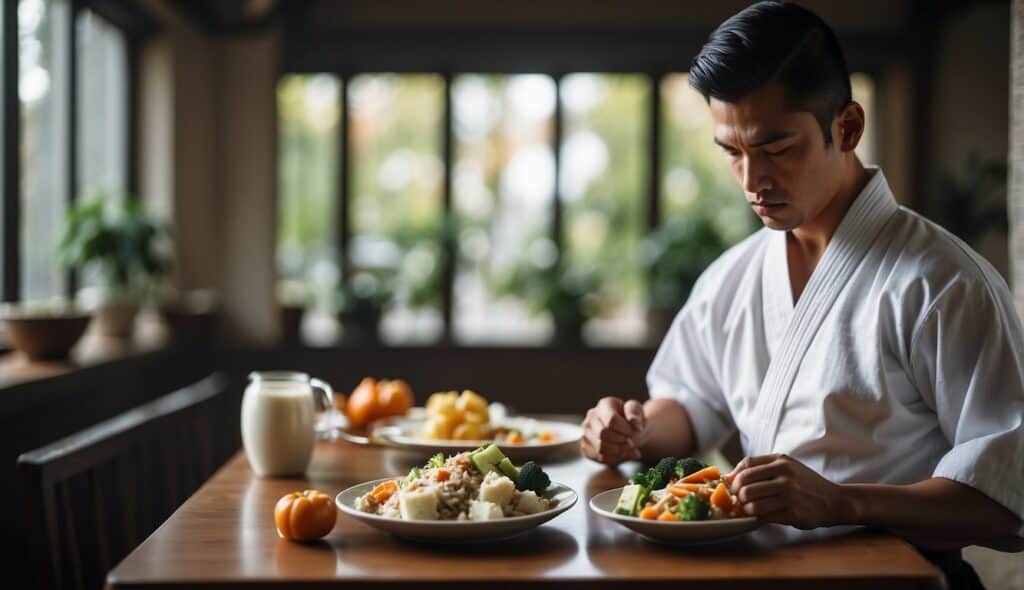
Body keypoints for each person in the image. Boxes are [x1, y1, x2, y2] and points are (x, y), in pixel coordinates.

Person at [581, 2, 1023, 587]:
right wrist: (632, 429)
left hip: (900, 576)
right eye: (732, 152)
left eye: (775, 149)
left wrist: (844, 502)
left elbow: (1005, 499)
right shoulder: (731, 277)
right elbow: (691, 405)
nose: (751, 180)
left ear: (846, 128)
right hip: (761, 569)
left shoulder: (942, 283)